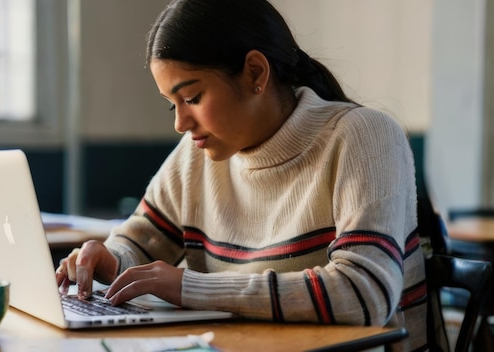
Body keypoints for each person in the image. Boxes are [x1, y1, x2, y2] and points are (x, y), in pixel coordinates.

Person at [56, 0, 428, 350]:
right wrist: (110, 259)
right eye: (172, 104)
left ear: (255, 72)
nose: (179, 123)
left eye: (193, 98)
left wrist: (190, 287)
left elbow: (364, 294)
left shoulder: (363, 135)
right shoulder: (197, 154)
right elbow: (139, 242)